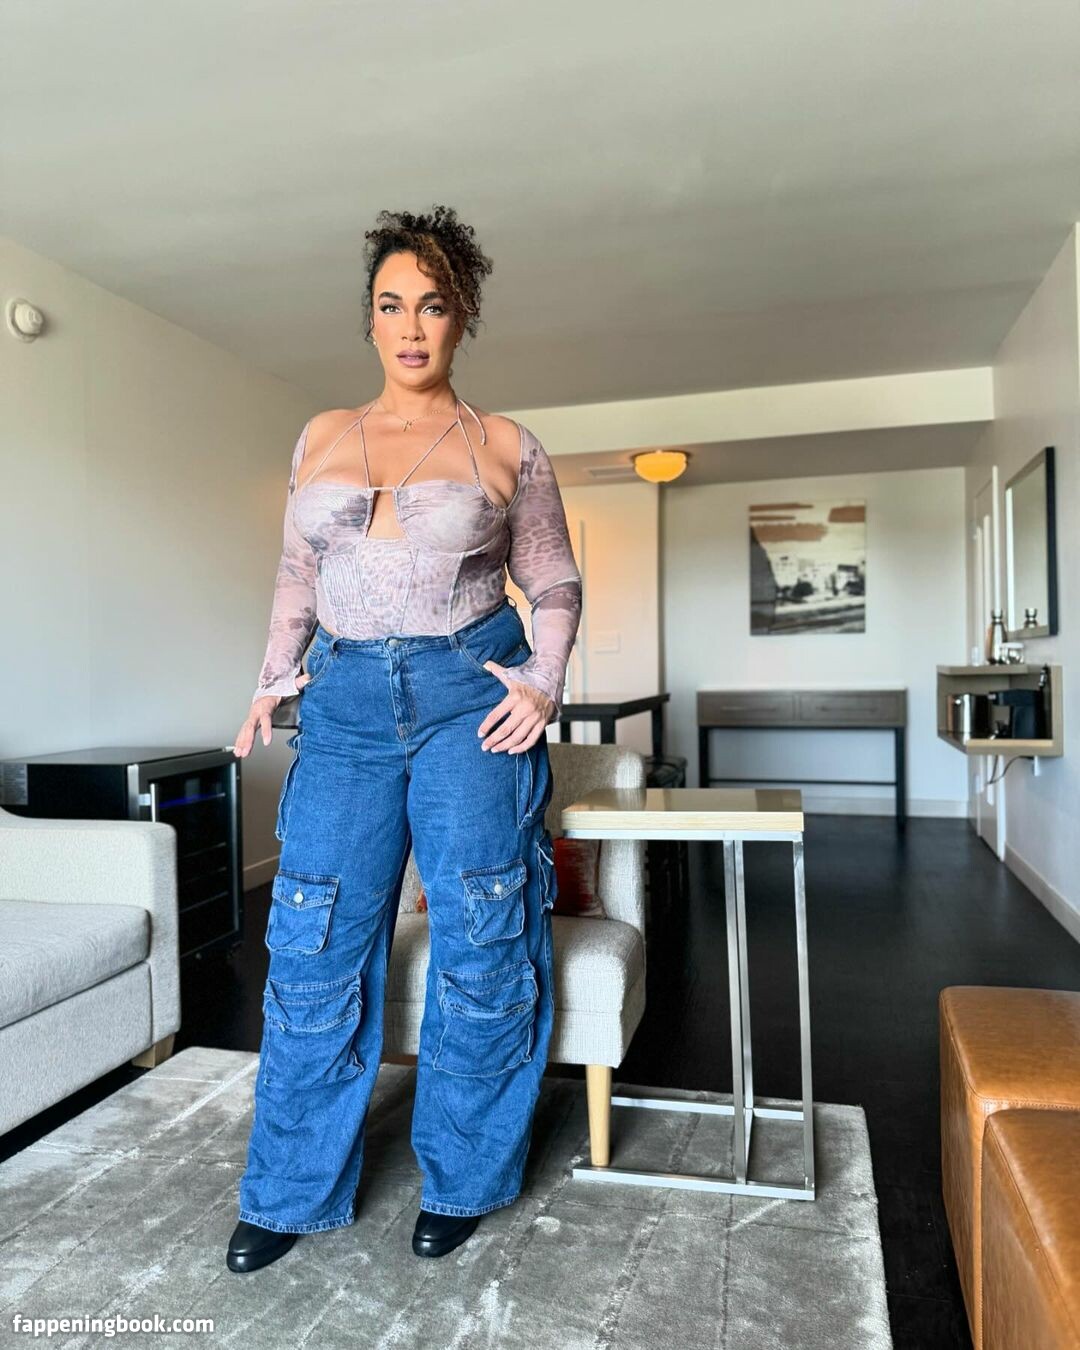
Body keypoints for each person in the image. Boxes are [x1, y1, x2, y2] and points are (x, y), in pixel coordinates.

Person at [226, 205, 582, 1274]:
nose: (412, 326)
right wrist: (270, 680)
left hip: (467, 695)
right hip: (341, 704)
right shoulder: (321, 436)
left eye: (433, 305)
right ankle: (291, 1190)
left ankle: (465, 1177)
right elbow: (297, 574)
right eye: (392, 305)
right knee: (313, 935)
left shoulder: (506, 444)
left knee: (482, 927)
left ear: (461, 317)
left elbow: (554, 583)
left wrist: (544, 683)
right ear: (370, 319)